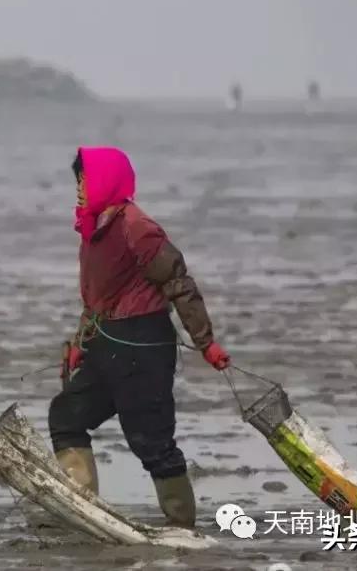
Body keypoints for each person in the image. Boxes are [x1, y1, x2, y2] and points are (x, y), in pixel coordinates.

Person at [49, 146, 232, 528]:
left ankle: (182, 526)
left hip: (143, 344)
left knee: (151, 443)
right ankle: (84, 513)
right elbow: (97, 300)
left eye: (85, 179)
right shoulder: (93, 228)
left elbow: (179, 284)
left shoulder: (137, 226)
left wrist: (206, 343)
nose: (79, 188)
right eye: (77, 180)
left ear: (106, 180)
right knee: (66, 415)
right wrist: (79, 346)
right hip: (106, 343)